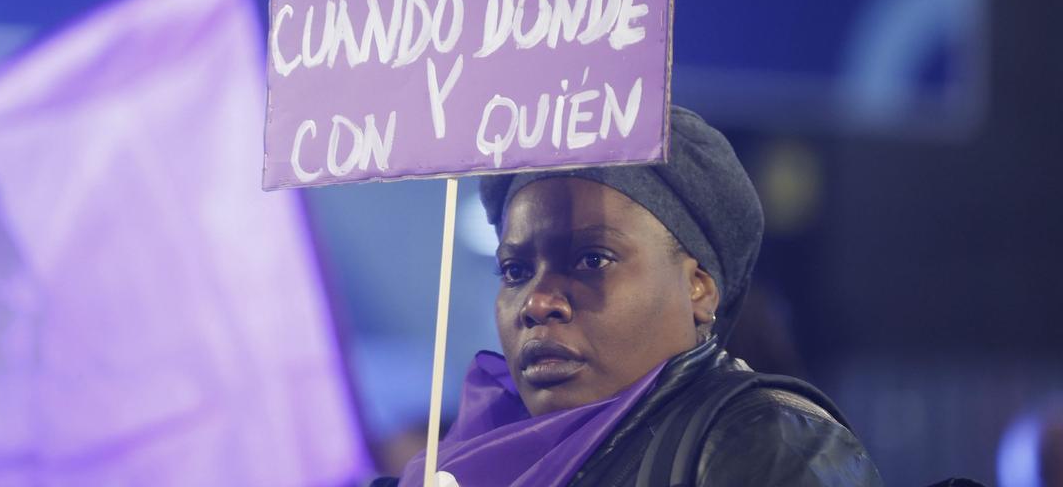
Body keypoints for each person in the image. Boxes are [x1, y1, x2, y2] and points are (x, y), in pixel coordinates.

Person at [375, 106, 883, 486]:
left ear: (698, 286)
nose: (536, 301)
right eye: (515, 270)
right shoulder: (455, 466)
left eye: (592, 259)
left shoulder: (763, 445)